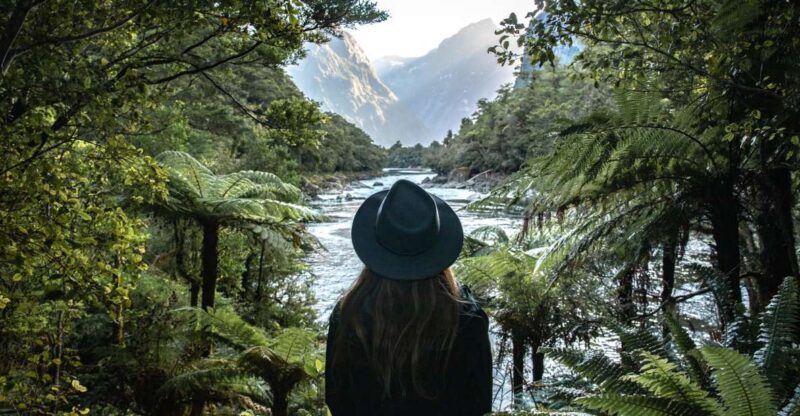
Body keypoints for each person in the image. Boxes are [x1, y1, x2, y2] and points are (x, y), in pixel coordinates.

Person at [325, 179, 492, 415]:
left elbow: (336, 399)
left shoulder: (349, 314)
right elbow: (479, 405)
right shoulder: (467, 318)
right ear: (438, 245)